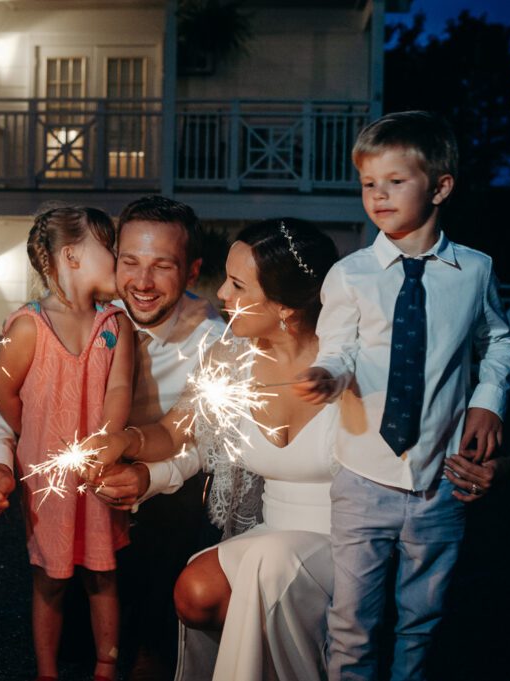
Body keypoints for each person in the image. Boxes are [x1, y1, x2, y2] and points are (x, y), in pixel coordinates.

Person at [293, 111, 510, 681]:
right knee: (352, 621)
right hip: (363, 475)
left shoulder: (473, 271)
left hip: (439, 479)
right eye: (369, 183)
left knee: (423, 617)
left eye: (395, 181)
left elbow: (498, 341)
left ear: (440, 186)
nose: (378, 195)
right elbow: (338, 349)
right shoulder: (350, 274)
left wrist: (488, 399)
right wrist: (326, 374)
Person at [0, 195, 226, 680]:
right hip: (70, 482)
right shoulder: (78, 316)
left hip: (159, 492)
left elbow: (204, 439)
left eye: (162, 267)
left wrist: (148, 475)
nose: (142, 282)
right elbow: (0, 398)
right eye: (128, 260)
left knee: (146, 626)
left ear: (191, 272)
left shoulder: (213, 338)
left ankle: (154, 639)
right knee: (68, 629)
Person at [91, 217, 342, 680]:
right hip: (275, 531)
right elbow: (175, 431)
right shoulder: (230, 357)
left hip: (352, 541)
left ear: (284, 304)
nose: (221, 294)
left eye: (237, 284)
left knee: (269, 565)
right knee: (196, 592)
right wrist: (124, 441)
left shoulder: (350, 365)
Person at [0, 205, 135, 681]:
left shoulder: (116, 324)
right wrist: (34, 440)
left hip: (98, 470)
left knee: (103, 572)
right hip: (47, 477)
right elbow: (1, 393)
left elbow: (119, 390)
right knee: (49, 578)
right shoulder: (29, 327)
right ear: (71, 255)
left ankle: (105, 668)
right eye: (108, 246)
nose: (117, 256)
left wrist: (104, 443)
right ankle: (47, 671)